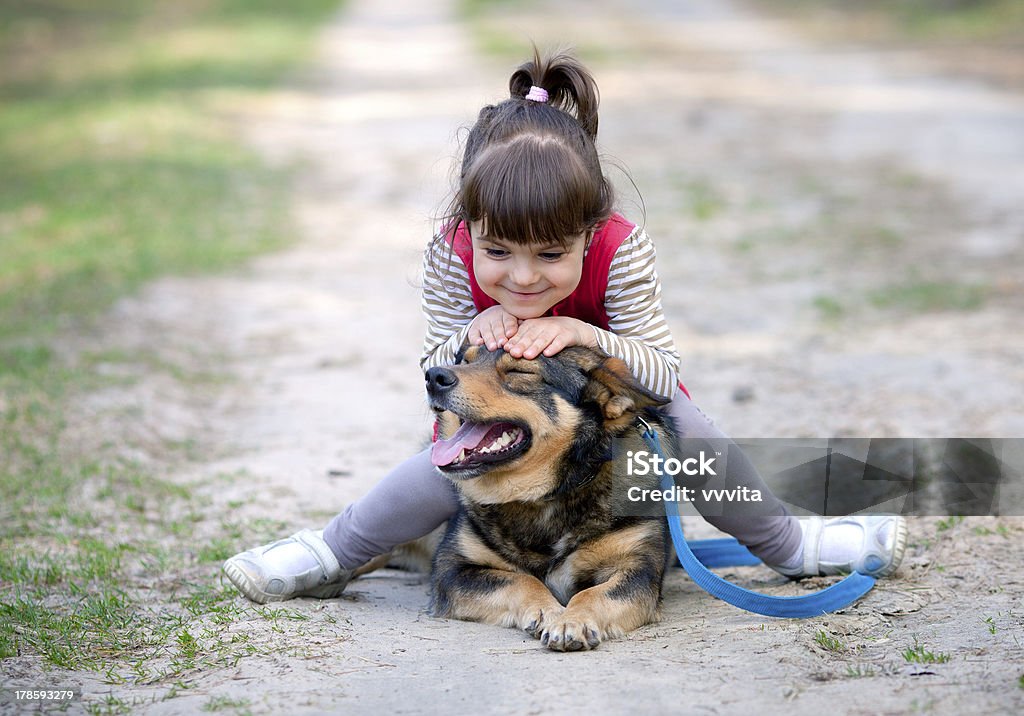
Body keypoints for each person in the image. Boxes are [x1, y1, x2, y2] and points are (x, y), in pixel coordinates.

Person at [223, 50, 907, 604]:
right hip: (516, 412)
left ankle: (790, 547)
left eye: (551, 255)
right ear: (471, 228)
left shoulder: (622, 246)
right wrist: (473, 331)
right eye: (499, 253)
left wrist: (588, 338)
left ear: (588, 233)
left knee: (694, 438)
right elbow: (436, 354)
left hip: (614, 409)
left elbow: (662, 370)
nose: (522, 278)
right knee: (443, 466)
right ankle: (335, 553)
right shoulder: (447, 247)